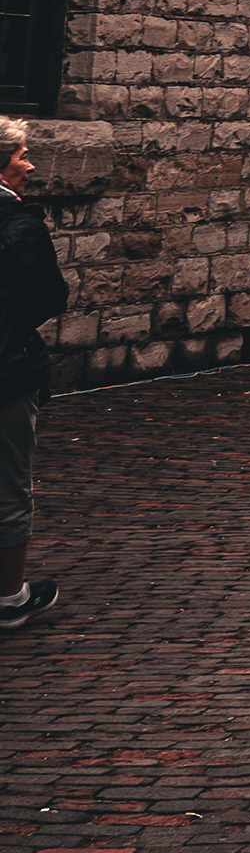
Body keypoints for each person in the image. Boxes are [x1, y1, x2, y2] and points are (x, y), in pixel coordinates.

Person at [0, 117, 64, 634]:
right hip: (6, 369)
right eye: (22, 154)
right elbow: (48, 297)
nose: (30, 163)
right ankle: (9, 597)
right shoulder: (18, 223)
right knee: (8, 486)